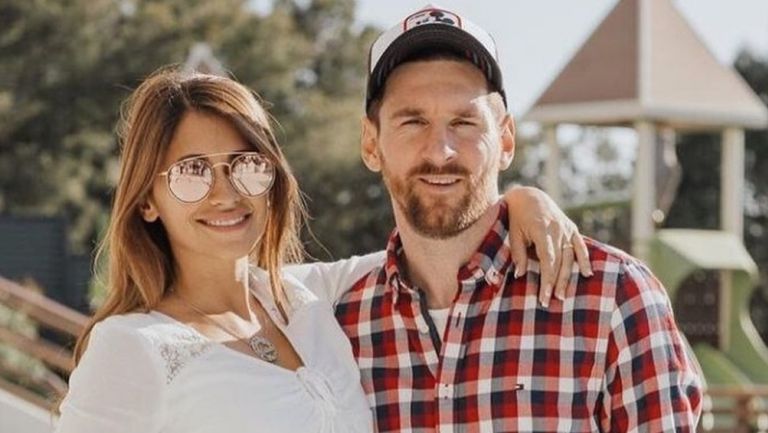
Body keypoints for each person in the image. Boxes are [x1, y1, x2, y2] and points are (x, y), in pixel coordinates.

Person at [54, 67, 589, 432]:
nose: (227, 192)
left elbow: (440, 243)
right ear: (148, 199)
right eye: (192, 171)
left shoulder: (312, 299)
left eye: (245, 163)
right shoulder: (131, 347)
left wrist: (523, 199)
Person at [327, 5, 703, 433]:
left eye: (465, 122)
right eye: (413, 121)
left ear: (505, 140)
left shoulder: (613, 298)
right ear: (371, 144)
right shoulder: (338, 327)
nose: (440, 151)